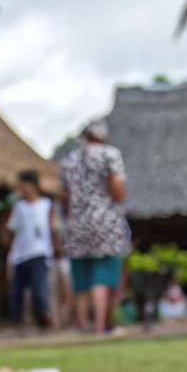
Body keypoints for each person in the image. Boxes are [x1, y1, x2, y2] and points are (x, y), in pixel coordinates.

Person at [59, 119, 131, 334]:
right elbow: (118, 192)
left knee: (81, 278)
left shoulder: (69, 161)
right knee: (102, 276)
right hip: (104, 221)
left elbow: (65, 197)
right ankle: (100, 327)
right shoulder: (110, 155)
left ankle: (83, 325)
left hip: (77, 223)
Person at [4, 170, 54, 330]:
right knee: (17, 291)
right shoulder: (19, 206)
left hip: (40, 252)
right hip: (20, 255)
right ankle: (17, 324)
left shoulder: (46, 204)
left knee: (39, 290)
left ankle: (43, 323)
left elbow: (52, 228)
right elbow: (12, 229)